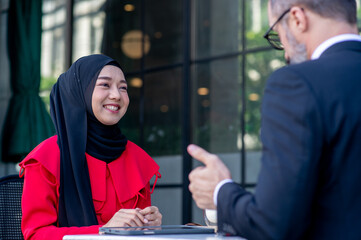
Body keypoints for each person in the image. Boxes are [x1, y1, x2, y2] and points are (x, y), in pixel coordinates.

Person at [188, 0, 361, 239]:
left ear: (298, 18)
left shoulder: (297, 83)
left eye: (277, 34)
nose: (286, 54)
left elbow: (274, 225)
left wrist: (220, 192)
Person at [19, 54, 162, 240]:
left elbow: (138, 235)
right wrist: (103, 231)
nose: (116, 95)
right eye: (105, 84)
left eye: (123, 87)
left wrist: (150, 227)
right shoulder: (47, 157)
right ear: (80, 92)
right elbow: (36, 235)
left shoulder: (136, 157)